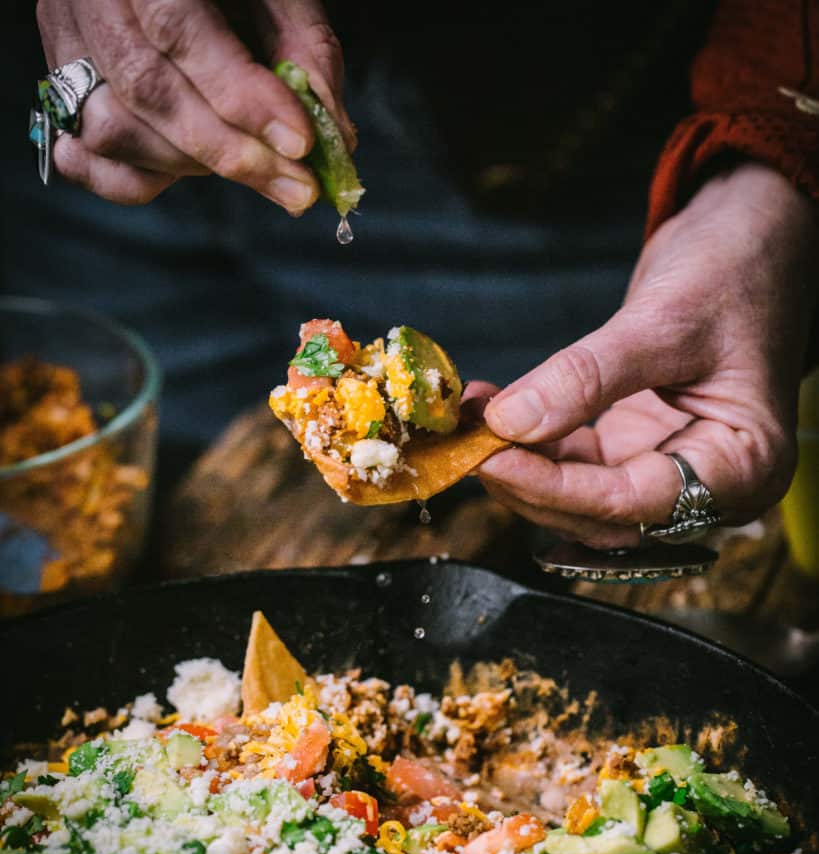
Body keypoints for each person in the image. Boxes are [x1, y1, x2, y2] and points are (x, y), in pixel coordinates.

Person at [7, 0, 819, 549]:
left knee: (578, 509)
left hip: (550, 140)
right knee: (83, 546)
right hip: (81, 155)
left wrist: (775, 152)